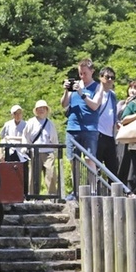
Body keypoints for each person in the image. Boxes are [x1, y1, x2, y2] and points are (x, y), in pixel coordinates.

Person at [60, 58, 105, 197]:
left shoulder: (98, 87)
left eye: (85, 73)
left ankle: (92, 190)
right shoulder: (76, 86)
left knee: (90, 158)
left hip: (90, 128)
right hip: (73, 127)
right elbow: (64, 104)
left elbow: (95, 105)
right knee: (73, 160)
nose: (82, 76)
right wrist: (67, 91)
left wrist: (82, 93)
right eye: (80, 73)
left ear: (92, 72)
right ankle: (76, 190)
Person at [22, 100, 59, 195]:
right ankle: (33, 196)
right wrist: (25, 147)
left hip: (48, 152)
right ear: (36, 110)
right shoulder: (31, 122)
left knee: (51, 175)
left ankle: (52, 196)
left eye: (43, 108)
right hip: (35, 152)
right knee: (34, 176)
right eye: (39, 108)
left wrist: (56, 151)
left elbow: (54, 139)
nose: (41, 110)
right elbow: (25, 136)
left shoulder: (50, 123)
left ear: (46, 110)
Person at [95, 66, 120, 177]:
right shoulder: (96, 91)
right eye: (107, 77)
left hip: (110, 134)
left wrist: (116, 122)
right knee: (96, 164)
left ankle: (114, 191)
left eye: (112, 78)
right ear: (100, 77)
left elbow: (113, 111)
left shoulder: (112, 95)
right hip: (98, 133)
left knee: (113, 166)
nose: (110, 80)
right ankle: (94, 191)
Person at [0, 104, 28, 191]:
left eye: (19, 113)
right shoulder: (7, 124)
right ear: (12, 115)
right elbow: (3, 138)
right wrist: (1, 152)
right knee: (10, 172)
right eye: (15, 113)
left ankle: (24, 193)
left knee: (24, 173)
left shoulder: (26, 124)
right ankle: (9, 191)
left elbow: (27, 139)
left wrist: (11, 138)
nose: (18, 115)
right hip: (10, 151)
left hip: (22, 152)